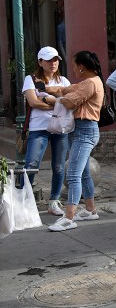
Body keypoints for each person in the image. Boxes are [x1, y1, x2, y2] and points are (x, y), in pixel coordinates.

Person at [45, 51, 105, 232]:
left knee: (73, 174)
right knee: (84, 173)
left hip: (85, 132)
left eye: (73, 65)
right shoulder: (88, 82)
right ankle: (90, 209)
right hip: (81, 131)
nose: (73, 69)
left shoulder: (91, 83)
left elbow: (70, 102)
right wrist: (47, 88)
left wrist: (54, 99)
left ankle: (69, 217)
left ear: (81, 67)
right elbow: (67, 89)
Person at [22, 46, 71, 216]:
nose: (53, 63)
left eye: (56, 59)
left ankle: (54, 201)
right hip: (39, 128)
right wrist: (57, 102)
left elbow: (69, 102)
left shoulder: (64, 81)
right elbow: (33, 102)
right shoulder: (31, 79)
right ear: (40, 62)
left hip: (60, 128)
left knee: (58, 166)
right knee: (31, 165)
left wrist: (49, 101)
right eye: (49, 60)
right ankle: (22, 200)